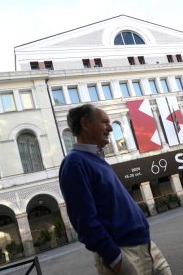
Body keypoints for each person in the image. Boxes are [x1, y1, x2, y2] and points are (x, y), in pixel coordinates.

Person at [59, 104, 171, 275]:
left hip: (147, 247)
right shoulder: (75, 162)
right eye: (104, 122)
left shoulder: (95, 158)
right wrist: (115, 258)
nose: (110, 128)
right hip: (124, 254)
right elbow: (84, 221)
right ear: (85, 124)